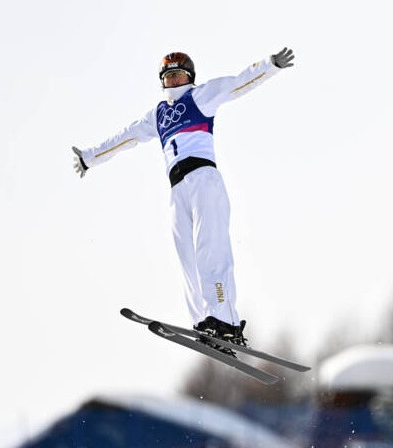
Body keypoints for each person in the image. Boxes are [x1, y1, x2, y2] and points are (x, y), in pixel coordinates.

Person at [71, 48, 295, 349]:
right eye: (168, 76)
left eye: (178, 74)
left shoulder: (200, 97)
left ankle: (225, 321)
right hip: (177, 189)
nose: (173, 80)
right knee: (186, 256)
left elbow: (238, 83)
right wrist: (90, 157)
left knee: (211, 251)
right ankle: (204, 321)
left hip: (204, 179)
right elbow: (126, 136)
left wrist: (269, 66)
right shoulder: (158, 115)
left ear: (189, 76)